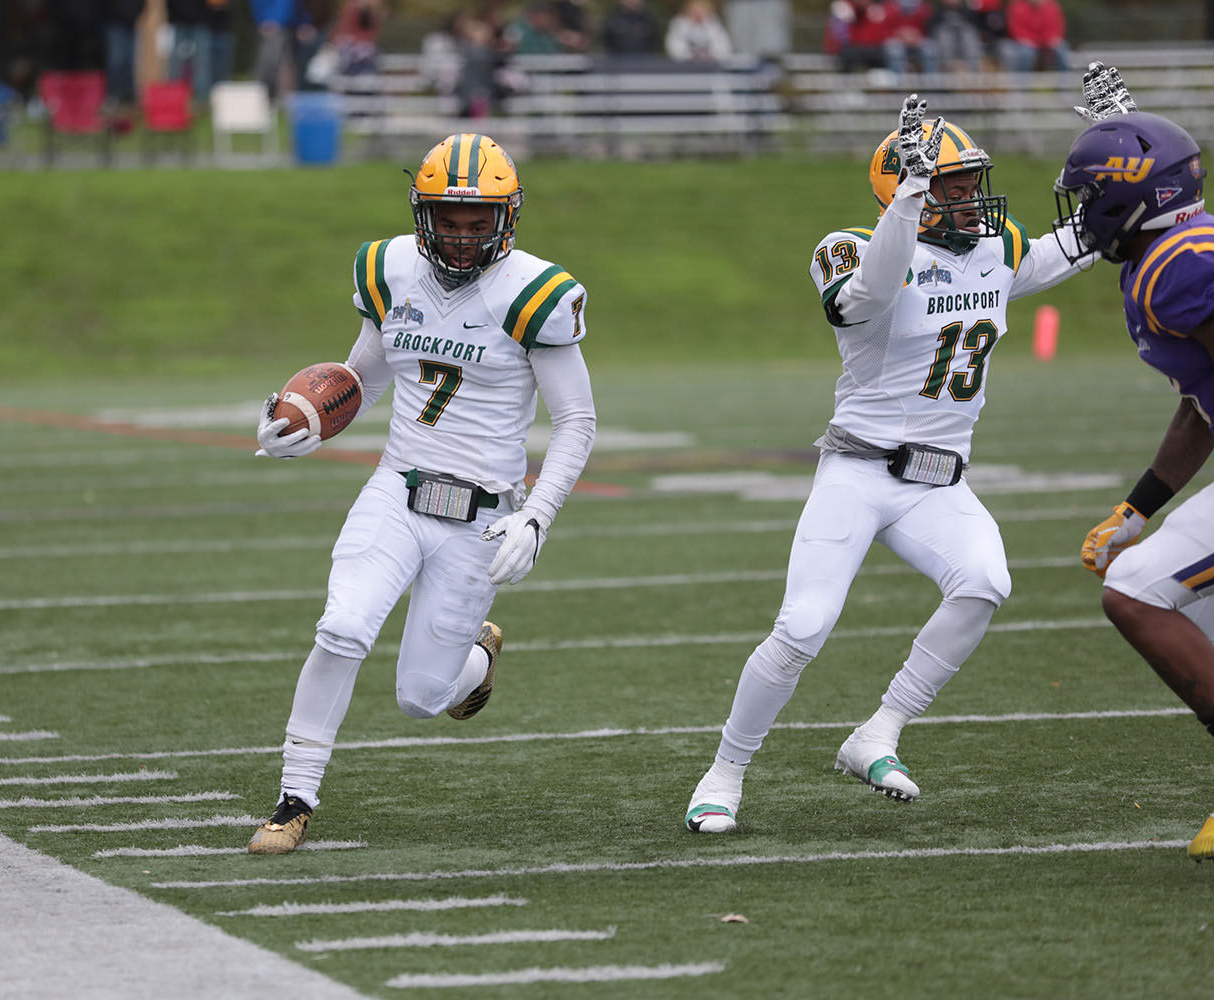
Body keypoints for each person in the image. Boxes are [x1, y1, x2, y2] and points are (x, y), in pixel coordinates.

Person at [684, 92, 1094, 834]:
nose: (971, 200)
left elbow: (1088, 237)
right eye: (953, 187)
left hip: (940, 480)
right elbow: (864, 299)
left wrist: (1126, 153)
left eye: (972, 184)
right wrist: (908, 201)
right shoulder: (848, 248)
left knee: (986, 582)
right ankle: (726, 771)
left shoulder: (997, 251)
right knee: (804, 625)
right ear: (904, 191)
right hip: (859, 471)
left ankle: (879, 730)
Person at [247, 133, 598, 854]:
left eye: (478, 222)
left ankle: (479, 657)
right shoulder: (389, 269)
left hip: (480, 516)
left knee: (421, 698)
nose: (462, 237)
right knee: (342, 627)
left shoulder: (536, 292)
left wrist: (538, 515)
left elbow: (577, 421)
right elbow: (364, 379)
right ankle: (294, 798)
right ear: (422, 214)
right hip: (397, 490)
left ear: (507, 218)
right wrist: (308, 424)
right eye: (448, 219)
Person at [1055, 63, 1214, 863]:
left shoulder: (1177, 267)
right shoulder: (1183, 248)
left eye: (1089, 197)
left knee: (1137, 592)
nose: (1085, 214)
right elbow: (1201, 399)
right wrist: (1140, 505)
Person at [1002, 0, 1068, 72]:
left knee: (1061, 48)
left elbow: (1057, 27)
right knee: (1025, 52)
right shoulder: (1016, 6)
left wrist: (1050, 40)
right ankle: (1023, 81)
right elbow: (1015, 29)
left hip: (1047, 42)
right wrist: (1031, 41)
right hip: (1026, 43)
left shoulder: (1052, 6)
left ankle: (1064, 80)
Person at [665, 0, 734, 64]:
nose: (698, 14)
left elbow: (724, 48)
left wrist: (711, 56)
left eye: (701, 10)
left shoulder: (715, 26)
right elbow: (675, 48)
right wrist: (690, 56)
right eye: (695, 10)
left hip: (712, 67)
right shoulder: (679, 26)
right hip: (685, 67)